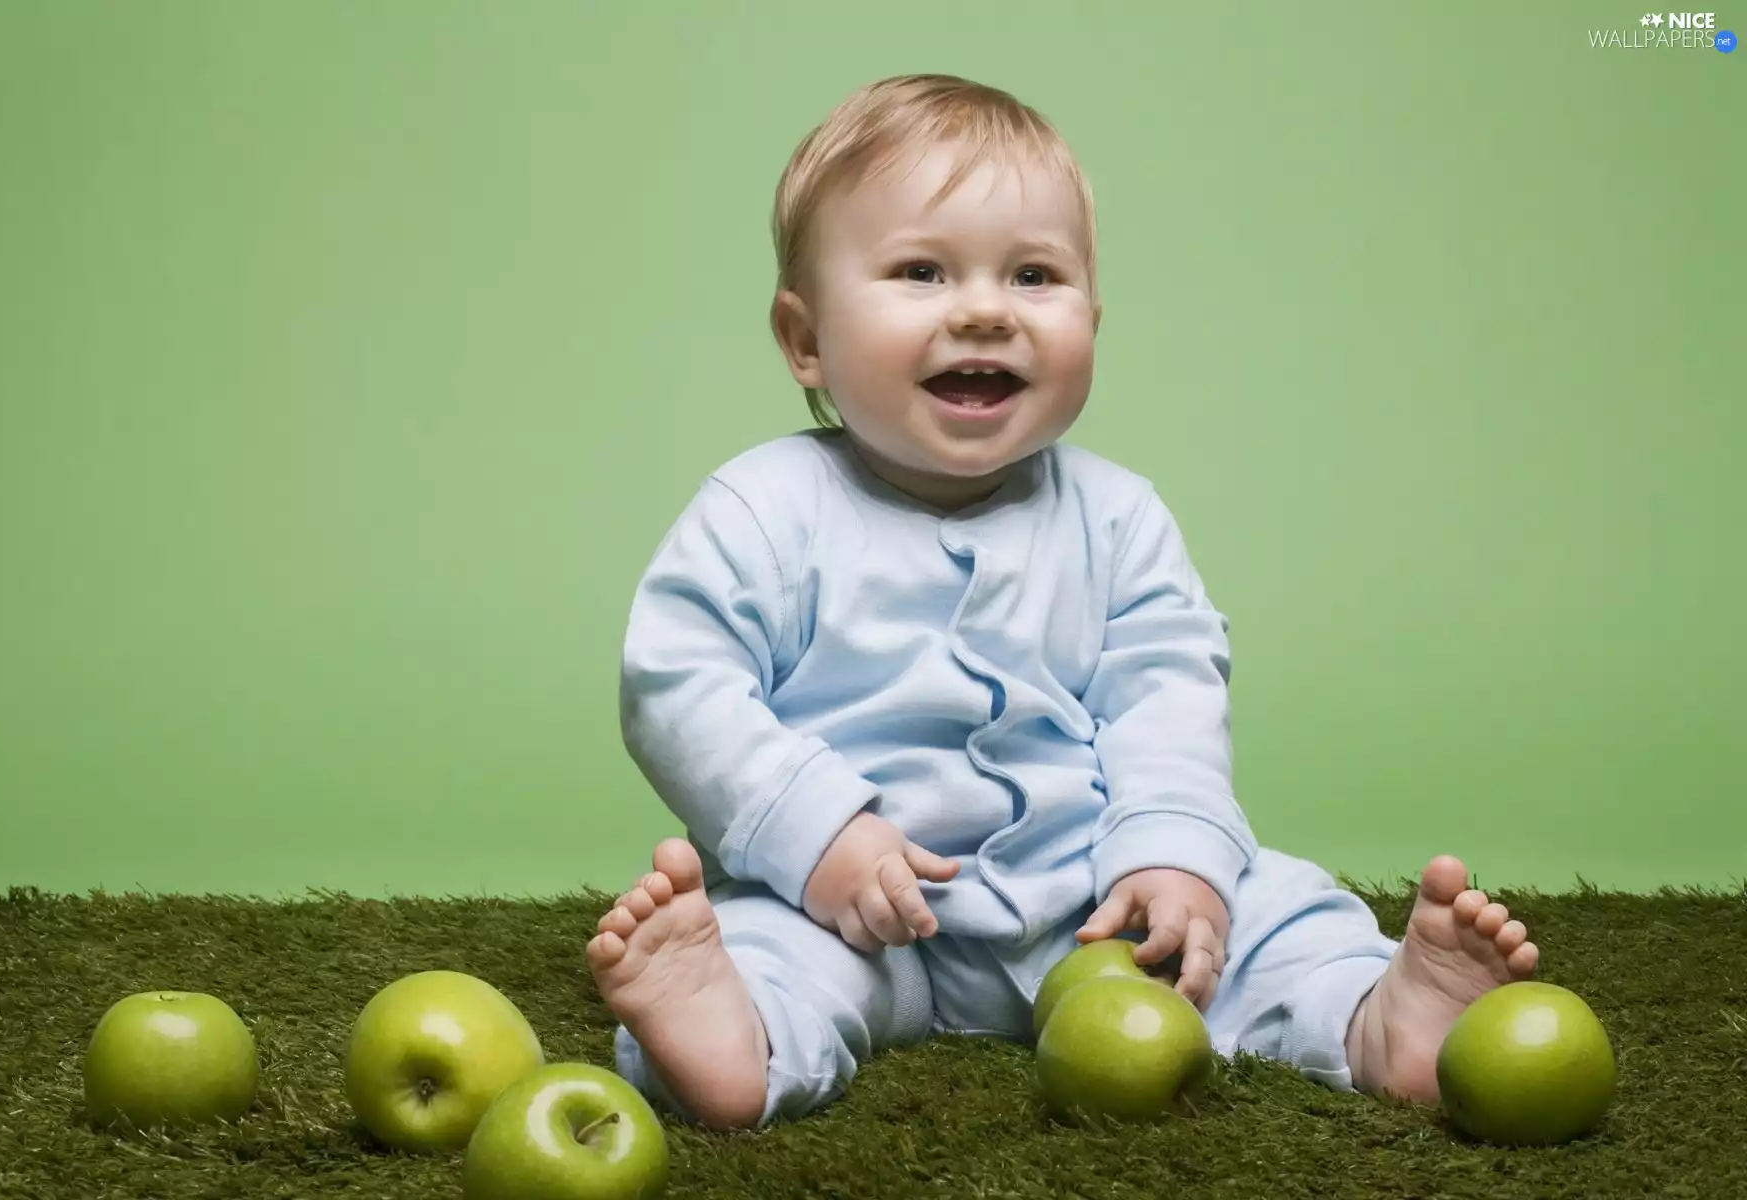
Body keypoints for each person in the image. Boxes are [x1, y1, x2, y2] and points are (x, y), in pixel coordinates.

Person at [585, 73, 1538, 1131]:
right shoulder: (764, 512)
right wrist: (820, 838)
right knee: (773, 957)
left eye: (1035, 275)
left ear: (1093, 315)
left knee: (1270, 913)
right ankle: (729, 1042)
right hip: (853, 914)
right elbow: (679, 687)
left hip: (1095, 905)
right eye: (920, 271)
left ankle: (1379, 1014)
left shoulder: (1117, 517)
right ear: (804, 339)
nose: (986, 309)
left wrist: (1172, 855)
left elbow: (1166, 693)